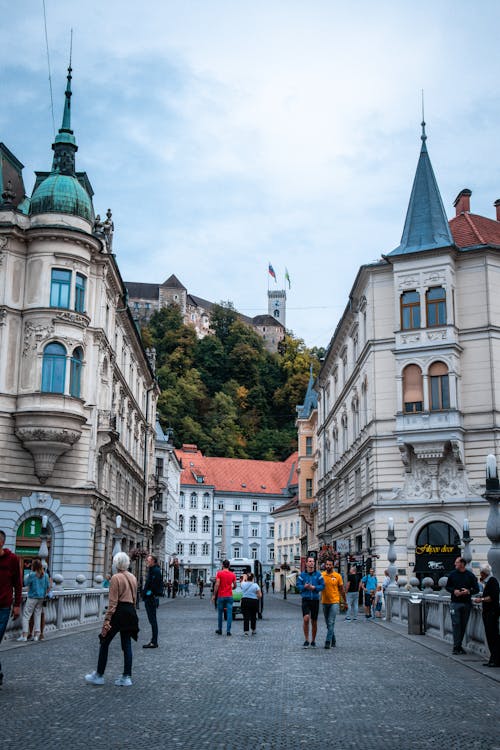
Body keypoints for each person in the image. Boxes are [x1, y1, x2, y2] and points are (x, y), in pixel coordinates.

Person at [85, 551, 139, 686]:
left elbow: (113, 602)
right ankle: (127, 677)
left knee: (105, 641)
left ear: (116, 564)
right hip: (131, 611)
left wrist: (107, 619)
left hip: (119, 611)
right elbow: (135, 598)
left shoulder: (115, 578)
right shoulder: (133, 577)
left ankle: (99, 675)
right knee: (126, 644)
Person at [0, 529, 22, 686]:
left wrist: (17, 605)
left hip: (3, 607)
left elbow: (18, 584)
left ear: (1, 542)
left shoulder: (12, 559)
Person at [446, 556, 479, 655]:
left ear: (462, 564)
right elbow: (447, 587)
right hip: (455, 603)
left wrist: (468, 591)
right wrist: (454, 591)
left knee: (463, 625)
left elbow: (476, 589)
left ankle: (458, 646)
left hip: (466, 604)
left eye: (456, 562)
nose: (455, 564)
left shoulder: (470, 575)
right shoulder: (452, 575)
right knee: (456, 625)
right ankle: (456, 647)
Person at [17, 559, 50, 642]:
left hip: (32, 597)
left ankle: (24, 635)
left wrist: (27, 575)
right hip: (41, 598)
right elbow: (48, 587)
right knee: (37, 615)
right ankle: (36, 635)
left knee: (26, 616)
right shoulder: (45, 575)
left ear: (33, 566)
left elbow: (26, 583)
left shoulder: (32, 574)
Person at [473, 564, 499, 667]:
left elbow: (492, 597)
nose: (480, 574)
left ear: (484, 573)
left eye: (481, 572)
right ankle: (492, 659)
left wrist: (481, 599)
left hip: (492, 613)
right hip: (488, 613)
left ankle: (496, 660)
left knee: (493, 637)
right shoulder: (488, 582)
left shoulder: (492, 581)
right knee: (490, 637)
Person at [296, 556, 325, 648]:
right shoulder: (302, 575)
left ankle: (313, 640)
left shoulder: (318, 575)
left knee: (314, 621)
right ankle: (306, 639)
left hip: (315, 600)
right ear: (306, 563)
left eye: (313, 561)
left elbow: (323, 586)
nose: (311, 563)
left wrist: (314, 588)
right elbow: (298, 585)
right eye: (309, 561)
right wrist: (304, 587)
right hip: (306, 599)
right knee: (306, 619)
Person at [321, 559, 345, 648]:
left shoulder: (337, 576)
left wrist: (344, 601)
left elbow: (342, 589)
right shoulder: (322, 575)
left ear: (333, 566)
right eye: (327, 564)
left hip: (334, 602)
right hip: (324, 601)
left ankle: (327, 642)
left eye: (330, 565)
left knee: (331, 622)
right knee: (328, 623)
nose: (328, 566)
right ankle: (333, 639)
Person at [142, 554, 162, 649]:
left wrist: (148, 594)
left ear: (153, 561)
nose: (147, 562)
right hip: (150, 598)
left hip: (151, 599)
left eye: (148, 560)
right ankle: (154, 641)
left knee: (153, 620)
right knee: (152, 620)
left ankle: (154, 642)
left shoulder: (156, 571)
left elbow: (154, 585)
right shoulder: (152, 570)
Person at [212, 559, 236, 636]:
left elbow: (217, 584)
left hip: (221, 596)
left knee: (220, 613)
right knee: (229, 614)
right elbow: (235, 585)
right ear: (229, 566)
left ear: (222, 565)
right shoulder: (232, 574)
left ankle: (220, 629)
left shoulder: (219, 573)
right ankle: (228, 631)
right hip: (229, 596)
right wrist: (231, 588)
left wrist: (214, 595)